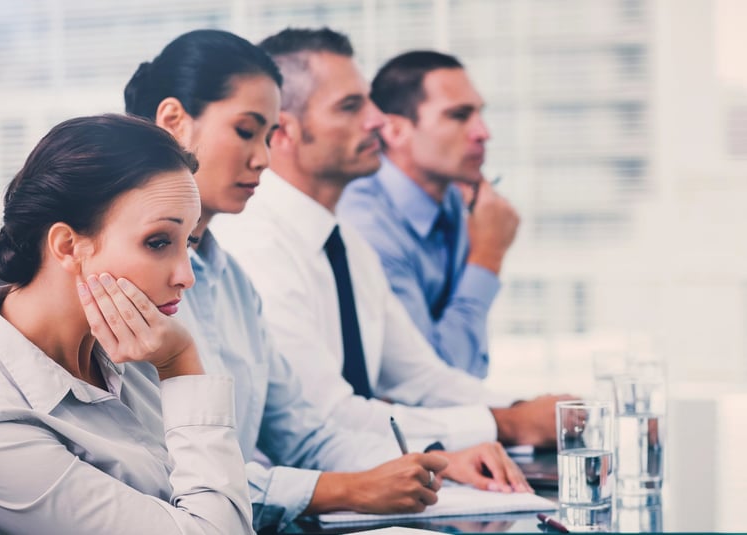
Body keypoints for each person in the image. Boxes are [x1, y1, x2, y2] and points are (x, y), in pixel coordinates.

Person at [125, 29, 530, 532]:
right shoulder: (126, 281)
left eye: (267, 136)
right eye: (247, 132)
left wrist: (436, 457)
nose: (263, 159)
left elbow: (305, 434)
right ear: (174, 122)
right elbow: (160, 475)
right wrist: (348, 488)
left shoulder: (232, 280)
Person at [212, 28, 563, 459]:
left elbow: (422, 377)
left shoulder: (347, 243)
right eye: (350, 106)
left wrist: (534, 410)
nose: (378, 120)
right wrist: (505, 424)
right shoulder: (254, 243)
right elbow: (325, 418)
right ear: (282, 132)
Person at [0, 114, 253, 533]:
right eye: (158, 242)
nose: (186, 276)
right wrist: (180, 364)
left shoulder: (130, 342)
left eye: (188, 242)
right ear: (68, 246)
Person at [338, 50, 519, 379]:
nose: (483, 132)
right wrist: (488, 256)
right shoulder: (366, 225)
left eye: (479, 114)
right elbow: (433, 378)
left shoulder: (455, 199)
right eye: (459, 116)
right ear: (394, 131)